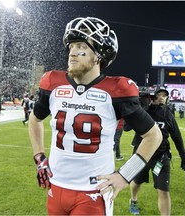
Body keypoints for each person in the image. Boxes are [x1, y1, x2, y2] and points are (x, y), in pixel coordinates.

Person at [28, 16, 162, 215]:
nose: (72, 53)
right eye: (71, 46)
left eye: (81, 46)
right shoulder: (53, 83)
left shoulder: (116, 90)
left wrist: (125, 175)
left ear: (99, 55)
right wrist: (39, 157)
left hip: (93, 192)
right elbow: (35, 120)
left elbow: (153, 136)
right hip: (56, 185)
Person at [129, 88, 185, 215]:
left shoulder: (168, 115)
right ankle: (133, 199)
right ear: (152, 97)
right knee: (137, 182)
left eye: (164, 96)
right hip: (141, 155)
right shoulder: (144, 111)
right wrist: (139, 108)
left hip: (160, 157)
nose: (161, 97)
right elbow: (127, 127)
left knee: (163, 190)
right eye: (159, 95)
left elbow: (177, 137)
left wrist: (183, 156)